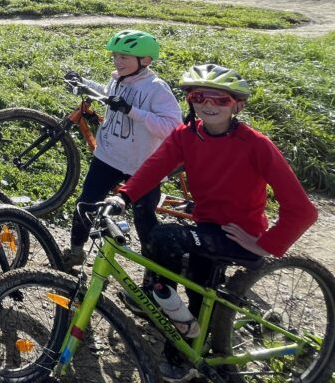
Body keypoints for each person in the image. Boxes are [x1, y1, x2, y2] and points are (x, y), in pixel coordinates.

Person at [111, 63, 318, 382]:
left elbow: (303, 210)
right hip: (205, 227)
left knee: (165, 239)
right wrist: (123, 197)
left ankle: (179, 347)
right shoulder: (186, 134)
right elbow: (155, 166)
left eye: (220, 100)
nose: (208, 105)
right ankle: (180, 319)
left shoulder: (256, 144)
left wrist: (264, 244)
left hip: (238, 235)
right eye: (198, 97)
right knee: (195, 289)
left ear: (238, 105)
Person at [61, 30, 182, 269]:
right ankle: (75, 253)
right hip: (108, 157)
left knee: (144, 221)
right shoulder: (118, 79)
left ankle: (154, 276)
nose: (117, 61)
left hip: (142, 166)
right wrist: (83, 82)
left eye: (124, 57)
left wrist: (131, 111)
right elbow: (107, 95)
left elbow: (172, 127)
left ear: (145, 60)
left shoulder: (156, 88)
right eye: (115, 56)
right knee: (85, 205)